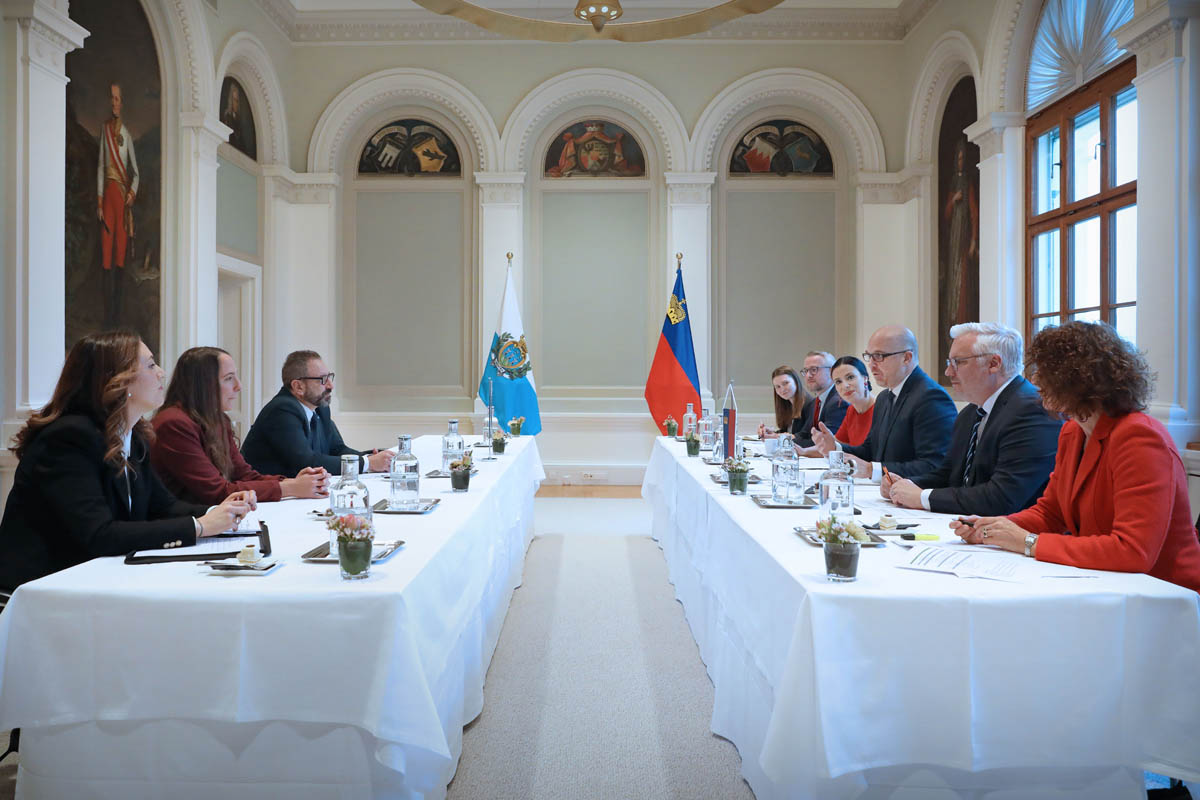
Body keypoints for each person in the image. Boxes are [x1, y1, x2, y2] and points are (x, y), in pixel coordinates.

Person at [951, 322, 1200, 592]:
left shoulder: (1139, 437)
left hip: (1164, 592)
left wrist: (1027, 542)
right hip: (1108, 583)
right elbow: (1051, 512)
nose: (1036, 380)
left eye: (1046, 371)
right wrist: (994, 528)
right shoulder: (1073, 431)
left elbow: (1133, 551)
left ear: (1082, 378)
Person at [0, 331, 252, 592]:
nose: (162, 373)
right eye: (151, 365)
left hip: (96, 578)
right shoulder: (68, 438)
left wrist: (219, 512)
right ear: (118, 380)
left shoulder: (134, 435)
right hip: (42, 587)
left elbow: (164, 507)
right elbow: (99, 534)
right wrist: (198, 527)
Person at [883, 322, 1061, 515]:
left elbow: (1001, 497)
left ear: (994, 364)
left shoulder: (1032, 410)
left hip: (1014, 528)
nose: (948, 372)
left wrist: (921, 497)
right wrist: (905, 485)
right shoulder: (971, 412)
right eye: (949, 362)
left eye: (958, 362)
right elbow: (949, 474)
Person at [152, 347, 329, 505]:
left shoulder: (219, 420)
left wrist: (293, 482)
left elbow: (244, 475)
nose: (238, 386)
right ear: (203, 385)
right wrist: (291, 488)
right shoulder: (174, 424)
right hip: (188, 523)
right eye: (229, 378)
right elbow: (217, 492)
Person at [812, 325, 955, 481]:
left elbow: (934, 465)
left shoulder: (930, 397)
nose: (871, 365)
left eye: (879, 356)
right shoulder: (884, 398)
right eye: (869, 356)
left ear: (906, 358)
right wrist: (835, 448)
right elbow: (870, 450)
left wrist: (872, 470)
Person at [240, 350, 392, 477]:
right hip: (264, 497)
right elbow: (307, 463)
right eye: (322, 380)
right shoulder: (281, 410)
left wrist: (370, 457)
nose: (330, 386)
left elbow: (337, 449)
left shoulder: (320, 407)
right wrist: (367, 464)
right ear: (298, 386)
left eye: (330, 377)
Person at [97, 82, 139, 326]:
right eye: (111, 98)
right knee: (106, 256)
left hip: (122, 201)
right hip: (108, 202)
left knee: (120, 256)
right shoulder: (105, 131)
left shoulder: (127, 135)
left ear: (121, 103)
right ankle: (106, 315)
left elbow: (137, 173)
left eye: (117, 98)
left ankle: (116, 314)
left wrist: (132, 192)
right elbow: (100, 169)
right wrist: (99, 202)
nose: (114, 102)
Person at [790, 351, 848, 448]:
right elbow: (805, 434)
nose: (808, 375)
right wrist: (780, 438)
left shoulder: (839, 402)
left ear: (831, 372)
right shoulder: (815, 402)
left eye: (814, 370)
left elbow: (824, 443)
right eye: (805, 371)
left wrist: (787, 443)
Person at [828, 356, 874, 447]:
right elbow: (837, 444)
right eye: (838, 382)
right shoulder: (851, 410)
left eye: (850, 377)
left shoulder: (882, 408)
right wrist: (803, 450)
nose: (845, 386)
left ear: (865, 378)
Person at [758, 366, 803, 438]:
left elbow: (805, 438)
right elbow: (789, 432)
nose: (782, 389)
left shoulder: (810, 405)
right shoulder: (788, 404)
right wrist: (771, 433)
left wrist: (776, 436)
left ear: (796, 381)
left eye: (785, 383)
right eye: (778, 387)